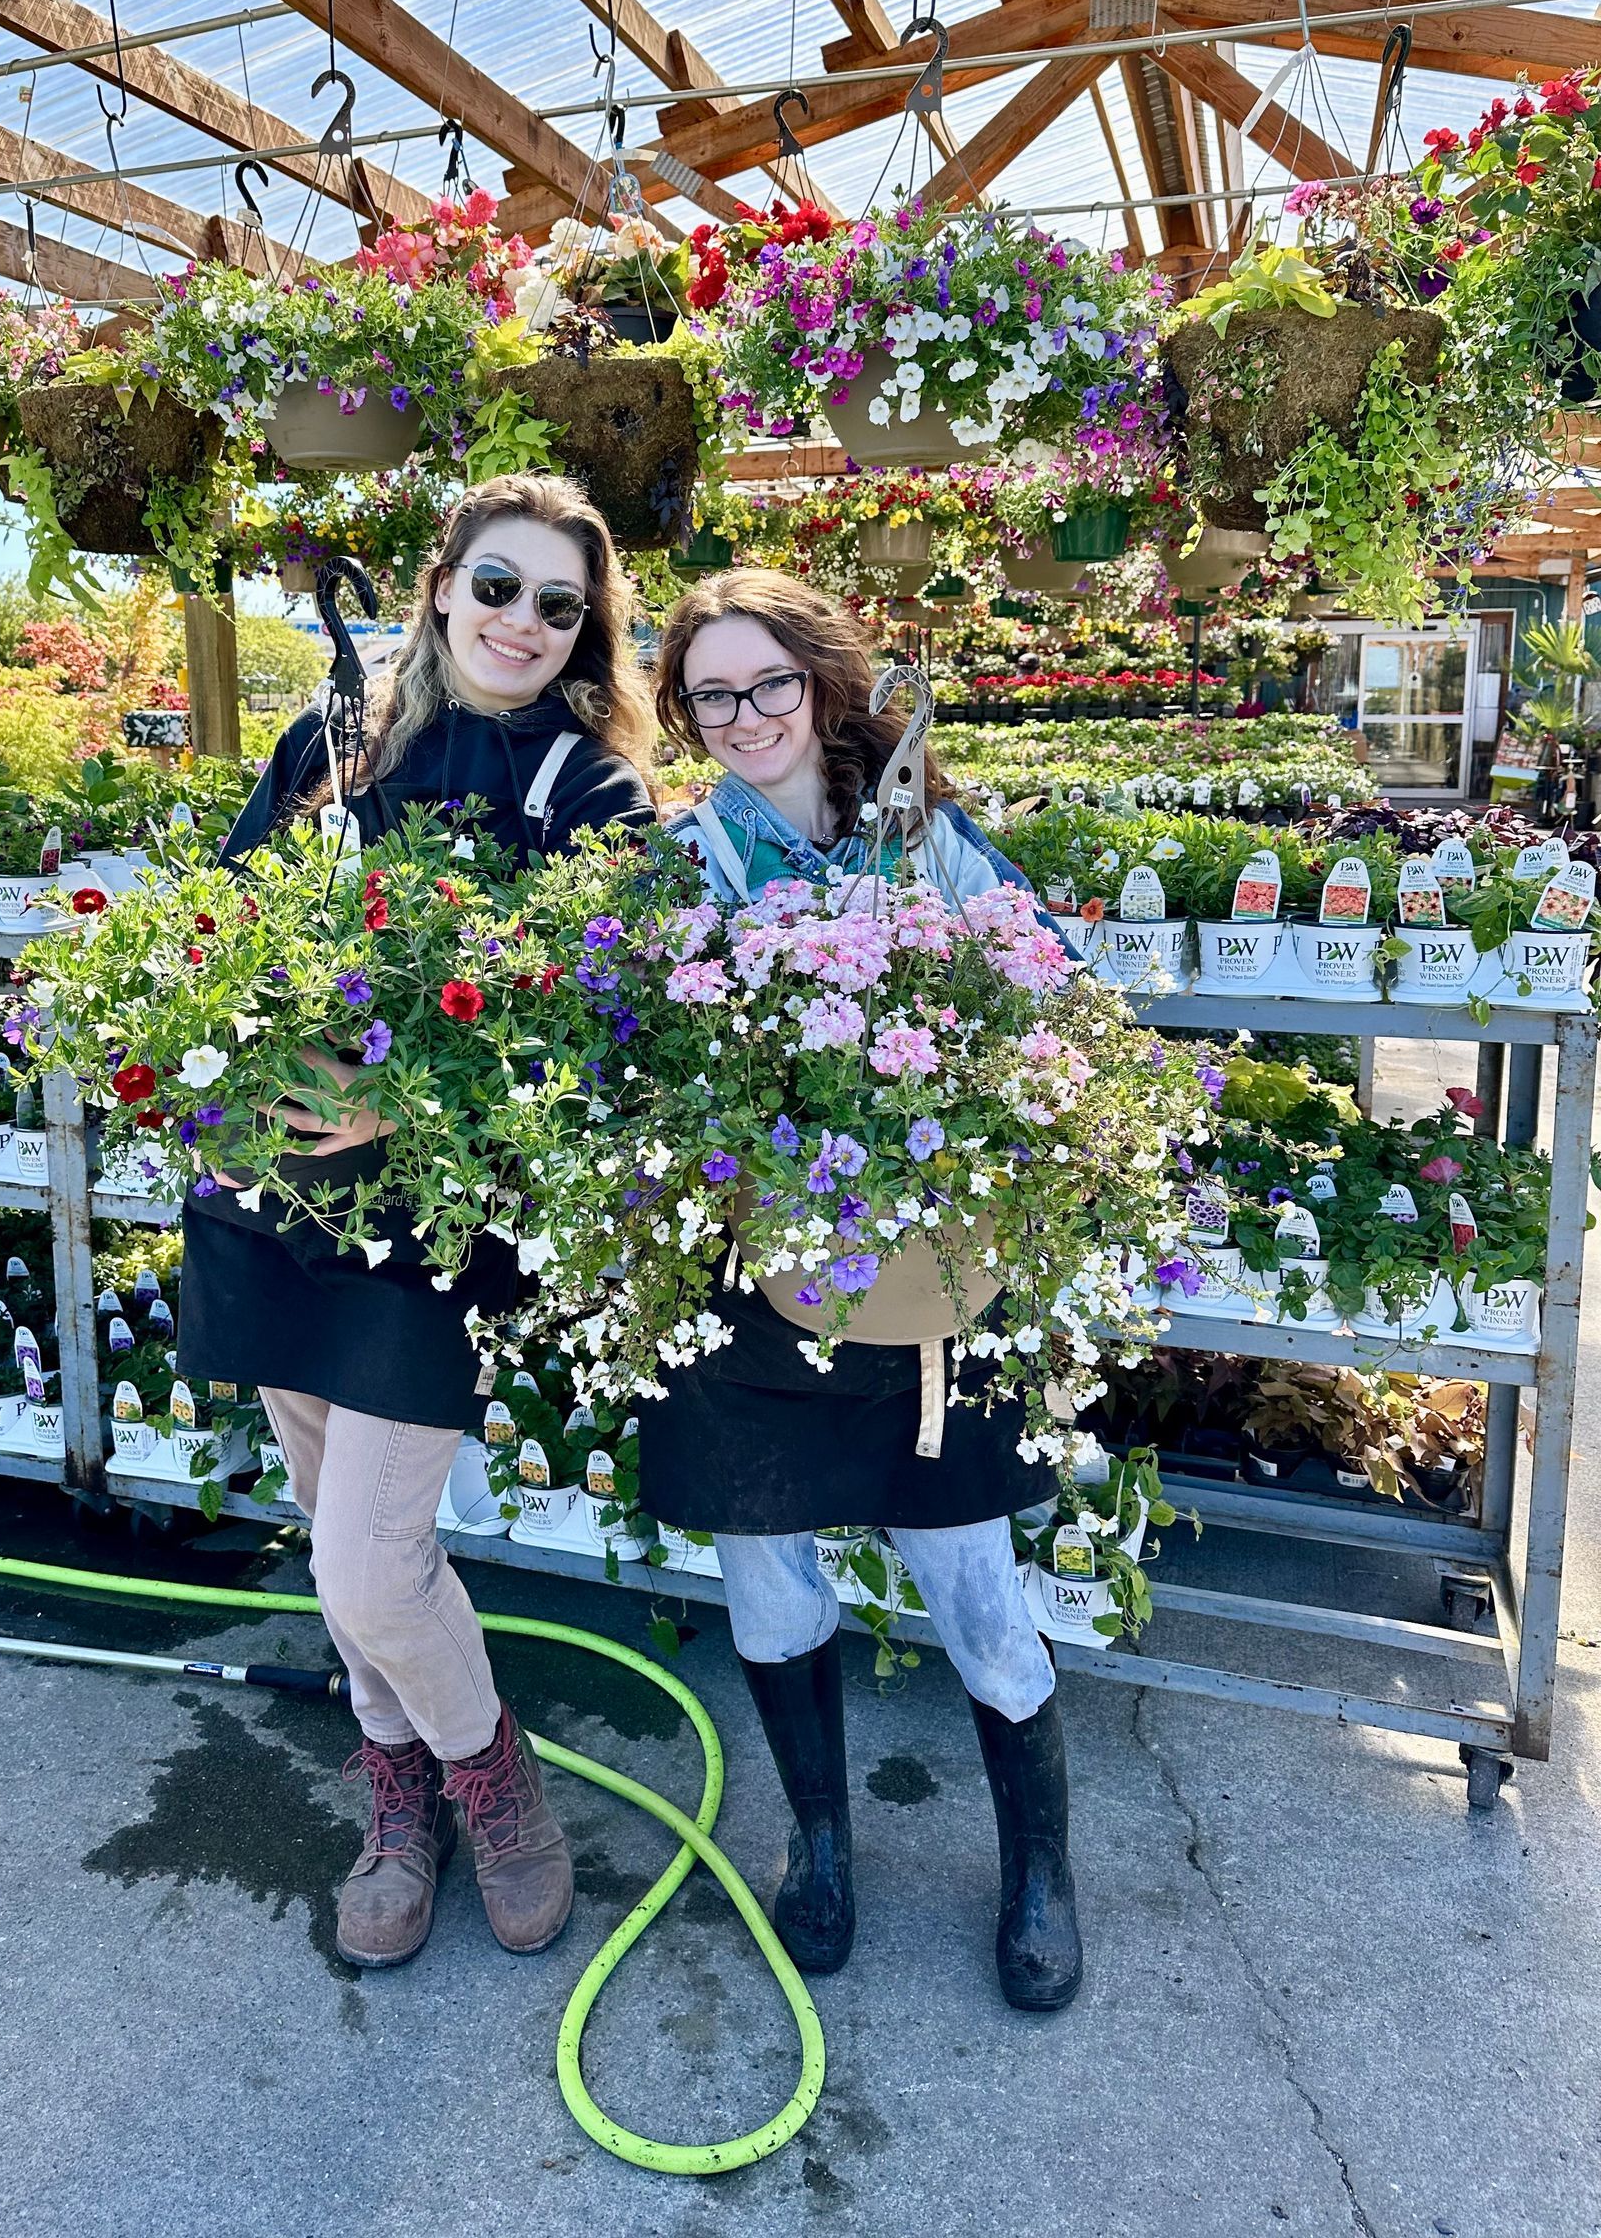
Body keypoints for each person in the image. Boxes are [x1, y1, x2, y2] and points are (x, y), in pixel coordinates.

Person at [179, 474, 656, 1970]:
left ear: (586, 633)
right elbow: (221, 923)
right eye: (498, 585)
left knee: (371, 1569)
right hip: (273, 1193)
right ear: (444, 583)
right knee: (332, 1533)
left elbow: (612, 1028)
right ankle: (398, 1787)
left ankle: (488, 1770)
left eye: (559, 604)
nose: (523, 621)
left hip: (426, 1224)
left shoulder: (592, 794)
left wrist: (417, 1094)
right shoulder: (338, 744)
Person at [640, 566, 1081, 2011]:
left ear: (825, 681)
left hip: (922, 1277)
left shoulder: (929, 832)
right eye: (714, 693)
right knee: (769, 1581)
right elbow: (636, 1041)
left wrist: (962, 1022)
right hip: (754, 1281)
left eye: (771, 681)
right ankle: (819, 1845)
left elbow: (1061, 986)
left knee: (976, 1588)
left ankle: (1038, 1869)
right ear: (686, 713)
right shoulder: (684, 856)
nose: (747, 715)